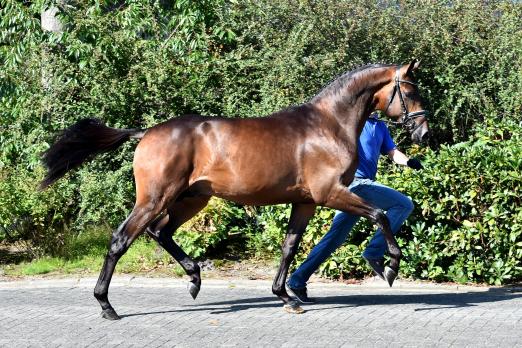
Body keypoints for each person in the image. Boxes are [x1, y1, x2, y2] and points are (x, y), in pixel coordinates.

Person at [287, 112, 423, 303]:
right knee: (403, 204)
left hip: (357, 189)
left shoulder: (379, 125)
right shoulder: (351, 121)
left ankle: (297, 281)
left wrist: (408, 161)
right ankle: (374, 252)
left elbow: (392, 152)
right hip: (355, 184)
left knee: (334, 238)